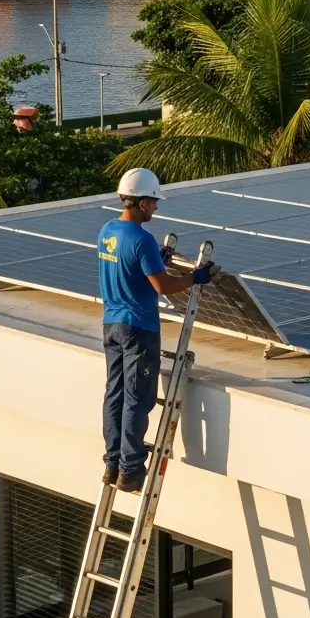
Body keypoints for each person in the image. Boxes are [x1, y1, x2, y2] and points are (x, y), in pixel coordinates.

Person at [97, 168, 214, 493]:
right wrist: (196, 277)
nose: (156, 208)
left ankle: (112, 462)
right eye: (153, 201)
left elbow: (126, 265)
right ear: (142, 202)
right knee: (138, 398)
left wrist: (154, 259)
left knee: (115, 394)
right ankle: (131, 470)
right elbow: (162, 285)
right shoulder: (142, 240)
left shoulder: (107, 231)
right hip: (139, 327)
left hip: (112, 324)